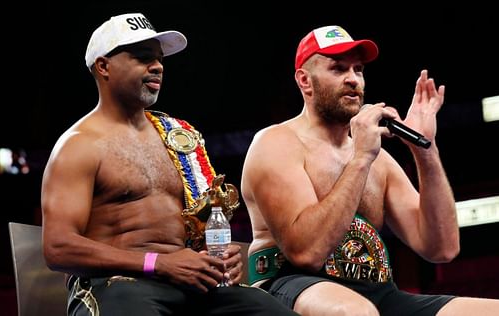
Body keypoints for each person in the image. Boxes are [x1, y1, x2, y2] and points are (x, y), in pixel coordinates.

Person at [41, 13, 298, 316]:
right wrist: (158, 263)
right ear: (103, 66)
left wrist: (218, 256)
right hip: (115, 285)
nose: (158, 66)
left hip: (187, 285)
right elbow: (57, 247)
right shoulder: (79, 145)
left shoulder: (177, 137)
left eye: (160, 59)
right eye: (142, 57)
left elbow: (197, 229)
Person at [241, 25, 499, 315]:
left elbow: (441, 248)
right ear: (305, 81)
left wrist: (425, 149)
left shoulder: (379, 160)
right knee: (355, 312)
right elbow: (306, 253)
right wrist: (361, 158)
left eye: (358, 70)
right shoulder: (276, 143)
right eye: (338, 69)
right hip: (291, 283)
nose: (353, 79)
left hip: (378, 292)